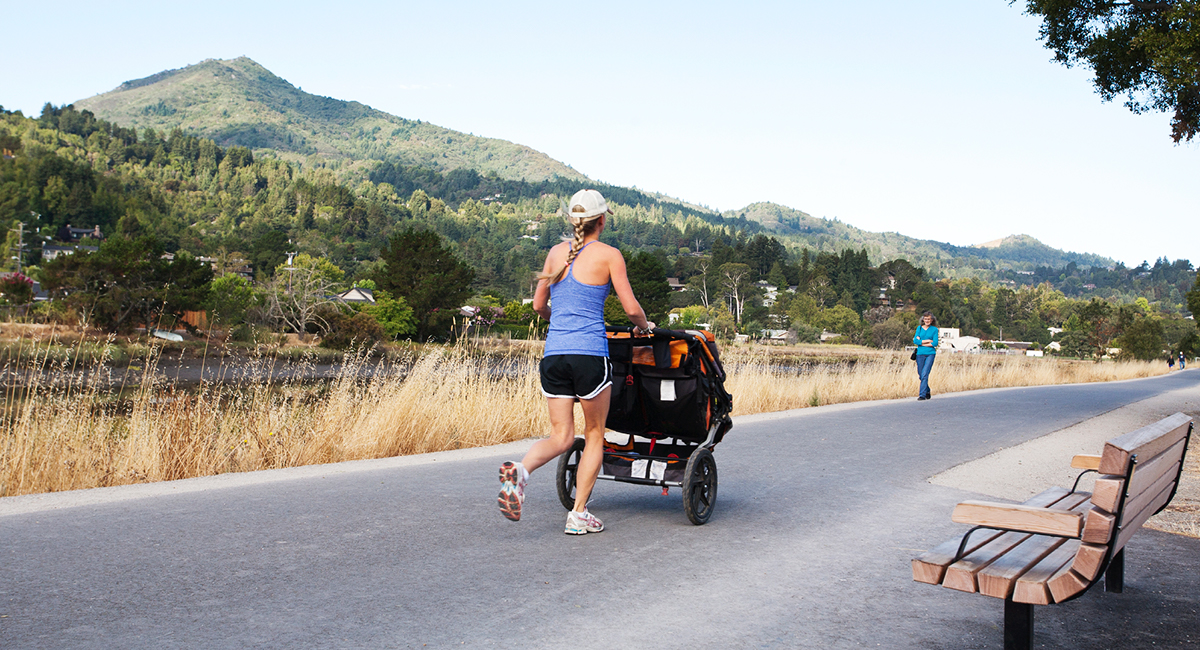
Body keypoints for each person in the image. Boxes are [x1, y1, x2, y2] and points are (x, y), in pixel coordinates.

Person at [498, 189, 654, 535]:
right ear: (602, 220)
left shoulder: (555, 253)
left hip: (554, 355)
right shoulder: (610, 255)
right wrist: (644, 326)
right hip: (588, 355)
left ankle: (520, 471)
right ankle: (579, 514)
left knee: (561, 436)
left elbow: (539, 307)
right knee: (595, 434)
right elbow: (630, 308)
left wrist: (561, 320)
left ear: (573, 220)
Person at [913, 311, 939, 401]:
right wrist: (928, 341)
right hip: (920, 354)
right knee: (920, 375)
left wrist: (922, 342)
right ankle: (927, 390)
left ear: (932, 320)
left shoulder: (934, 330)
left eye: (929, 319)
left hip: (930, 354)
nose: (927, 321)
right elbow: (915, 341)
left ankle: (922, 395)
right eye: (925, 319)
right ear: (923, 319)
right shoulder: (919, 328)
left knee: (925, 374)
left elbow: (935, 343)